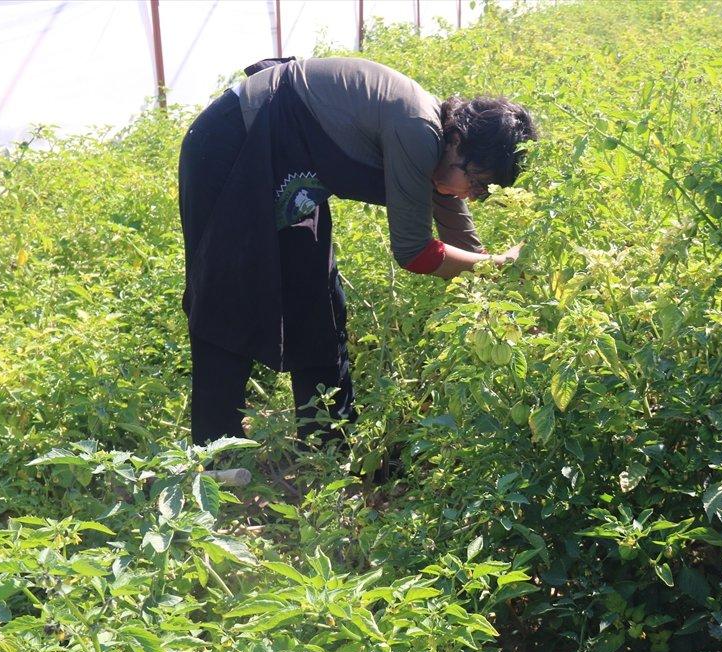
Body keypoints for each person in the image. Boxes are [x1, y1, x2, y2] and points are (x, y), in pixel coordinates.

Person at [178, 56, 537, 446]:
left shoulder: (446, 158)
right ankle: (213, 452)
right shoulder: (418, 131)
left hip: (292, 164)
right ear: (457, 141)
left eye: (482, 191)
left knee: (317, 296)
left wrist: (501, 297)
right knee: (228, 290)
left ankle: (326, 443)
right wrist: (496, 266)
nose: (470, 193)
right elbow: (414, 251)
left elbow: (467, 249)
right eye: (475, 180)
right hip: (236, 139)